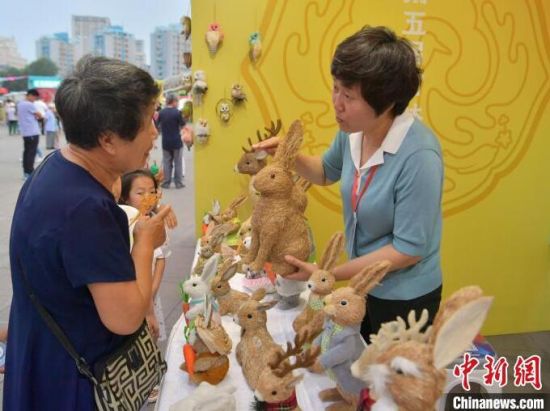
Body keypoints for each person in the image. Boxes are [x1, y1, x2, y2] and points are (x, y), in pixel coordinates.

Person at [253, 26, 444, 341]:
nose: (336, 103)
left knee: (389, 369)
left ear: (387, 103)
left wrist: (328, 273)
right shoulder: (355, 130)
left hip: (404, 297)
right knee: (355, 357)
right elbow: (326, 171)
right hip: (362, 284)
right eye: (336, 88)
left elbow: (408, 250)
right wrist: (288, 153)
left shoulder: (419, 156)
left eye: (349, 96)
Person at [4, 56, 171, 410]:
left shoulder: (53, 167)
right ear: (108, 139)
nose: (155, 133)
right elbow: (125, 318)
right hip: (73, 381)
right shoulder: (87, 210)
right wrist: (144, 242)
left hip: (41, 356)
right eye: (148, 122)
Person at [118, 169, 170, 404]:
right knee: (135, 339)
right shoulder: (126, 224)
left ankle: (149, 378)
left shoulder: (155, 222)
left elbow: (161, 258)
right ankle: (138, 382)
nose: (147, 197)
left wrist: (153, 290)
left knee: (152, 335)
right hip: (135, 296)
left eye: (152, 191)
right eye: (140, 193)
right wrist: (146, 301)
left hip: (150, 295)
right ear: (125, 197)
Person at [157, 94, 185, 189]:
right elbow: (183, 124)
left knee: (167, 162)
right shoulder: (177, 112)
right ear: (173, 102)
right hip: (177, 141)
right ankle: (178, 183)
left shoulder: (161, 112)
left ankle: (166, 182)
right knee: (178, 162)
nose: (177, 103)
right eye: (177, 101)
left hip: (165, 142)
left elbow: (157, 125)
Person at [16, 89, 43, 179]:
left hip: (25, 132)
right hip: (32, 131)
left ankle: (26, 172)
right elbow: (39, 115)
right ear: (30, 95)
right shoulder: (29, 104)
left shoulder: (20, 104)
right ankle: (30, 172)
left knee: (26, 152)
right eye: (35, 97)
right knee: (31, 153)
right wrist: (38, 116)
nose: (34, 100)